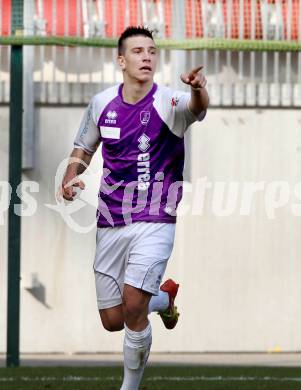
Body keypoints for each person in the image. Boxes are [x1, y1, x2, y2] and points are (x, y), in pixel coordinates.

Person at [60, 26, 209, 390]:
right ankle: (163, 298)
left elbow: (197, 108)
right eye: (139, 51)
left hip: (156, 218)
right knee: (113, 319)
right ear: (121, 60)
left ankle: (129, 387)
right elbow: (83, 148)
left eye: (152, 51)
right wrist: (70, 176)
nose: (147, 57)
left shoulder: (170, 102)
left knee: (131, 303)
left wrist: (197, 88)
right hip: (111, 219)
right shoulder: (101, 103)